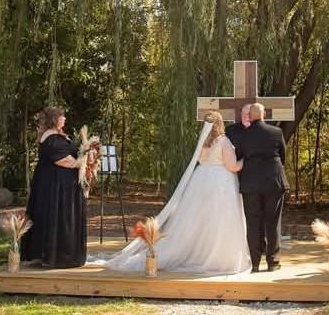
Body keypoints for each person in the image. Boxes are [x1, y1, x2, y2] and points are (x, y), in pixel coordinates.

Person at [106, 110, 250, 275]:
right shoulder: (224, 141)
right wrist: (245, 160)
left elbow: (201, 161)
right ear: (220, 123)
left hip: (201, 181)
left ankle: (196, 252)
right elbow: (232, 166)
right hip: (220, 184)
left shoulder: (203, 142)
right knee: (219, 221)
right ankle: (216, 256)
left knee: (198, 220)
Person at [22, 107, 88, 268]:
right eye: (61, 116)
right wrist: (85, 161)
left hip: (60, 185)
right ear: (54, 119)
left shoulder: (56, 136)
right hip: (56, 187)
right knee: (58, 217)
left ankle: (54, 254)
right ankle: (59, 256)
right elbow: (63, 160)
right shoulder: (52, 139)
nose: (64, 119)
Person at [231, 103, 288, 272]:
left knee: (253, 223)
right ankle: (273, 262)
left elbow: (239, 156)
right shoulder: (276, 132)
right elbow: (282, 156)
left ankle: (254, 263)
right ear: (264, 115)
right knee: (273, 222)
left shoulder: (243, 136)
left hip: (251, 183)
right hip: (274, 182)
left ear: (250, 116)